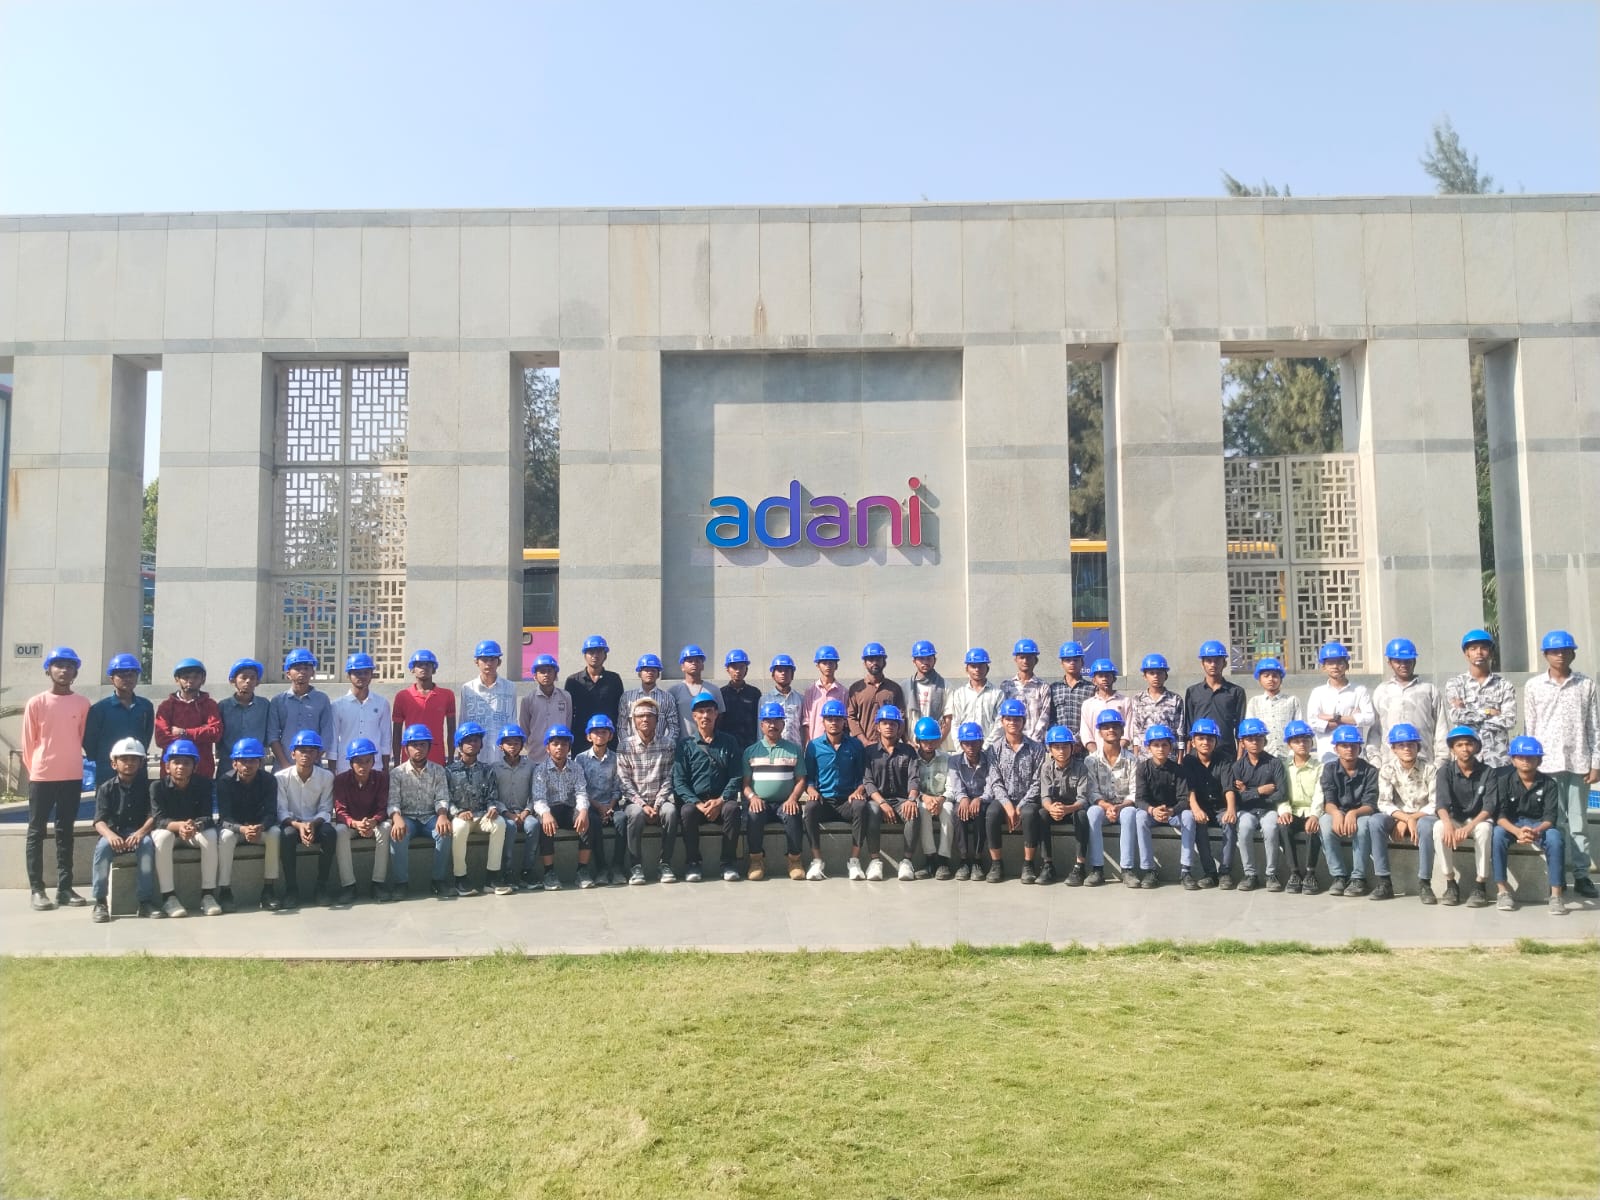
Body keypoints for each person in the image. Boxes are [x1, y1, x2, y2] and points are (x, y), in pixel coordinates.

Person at [1521, 629, 1599, 899]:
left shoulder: (1585, 684)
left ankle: (1582, 875)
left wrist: (1596, 762)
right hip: (1546, 766)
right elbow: (1530, 727)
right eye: (1555, 651)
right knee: (1553, 823)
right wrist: (1529, 764)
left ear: (1573, 654)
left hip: (1578, 762)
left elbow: (1594, 727)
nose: (1560, 655)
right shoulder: (1534, 686)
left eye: (1566, 650)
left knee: (1578, 823)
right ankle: (1557, 876)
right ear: (1545, 655)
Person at [22, 647, 91, 911]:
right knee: (36, 831)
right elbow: (28, 743)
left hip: (72, 775)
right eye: (58, 665)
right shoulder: (36, 703)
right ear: (48, 670)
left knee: (65, 832)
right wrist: (37, 770)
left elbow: (80, 737)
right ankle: (37, 889)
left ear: (75, 672)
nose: (64, 670)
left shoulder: (82, 703)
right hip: (42, 776)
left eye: (69, 666)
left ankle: (65, 888)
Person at [1491, 735, 1567, 916]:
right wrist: (1517, 831)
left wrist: (1536, 830)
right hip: (1512, 825)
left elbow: (1550, 817)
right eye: (1520, 757)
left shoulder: (1549, 784)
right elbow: (1500, 816)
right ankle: (1502, 891)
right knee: (1497, 834)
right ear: (1513, 760)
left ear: (1539, 760)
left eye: (1531, 757)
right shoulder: (1503, 782)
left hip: (1539, 826)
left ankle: (1556, 895)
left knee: (1555, 838)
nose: (1525, 761)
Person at [674, 691, 745, 882]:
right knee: (686, 812)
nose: (705, 715)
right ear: (694, 716)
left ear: (716, 714)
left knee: (732, 809)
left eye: (709, 711)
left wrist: (721, 801)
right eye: (701, 712)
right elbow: (679, 782)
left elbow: (736, 775)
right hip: (697, 803)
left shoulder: (729, 742)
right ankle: (693, 863)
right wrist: (697, 803)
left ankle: (728, 862)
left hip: (721, 801)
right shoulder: (686, 745)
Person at [149, 739, 223, 917]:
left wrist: (194, 826)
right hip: (170, 831)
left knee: (211, 835)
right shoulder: (157, 787)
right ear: (167, 766)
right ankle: (168, 897)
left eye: (186, 763)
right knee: (162, 837)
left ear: (194, 766)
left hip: (193, 831)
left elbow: (208, 817)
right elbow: (158, 819)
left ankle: (208, 895)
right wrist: (179, 826)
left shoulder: (204, 785)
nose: (181, 767)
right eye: (176, 762)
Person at [88, 737, 157, 922]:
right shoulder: (105, 788)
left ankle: (145, 902)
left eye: (134, 759)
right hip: (114, 833)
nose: (129, 763)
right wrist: (111, 836)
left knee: (147, 846)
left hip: (139, 833)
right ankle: (100, 902)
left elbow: (154, 815)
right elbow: (99, 821)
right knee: (102, 849)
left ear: (141, 763)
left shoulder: (150, 787)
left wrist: (141, 833)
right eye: (124, 759)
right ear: (114, 763)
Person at [615, 696, 681, 884]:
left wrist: (657, 804)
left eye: (649, 716)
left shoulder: (668, 744)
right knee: (635, 814)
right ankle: (636, 866)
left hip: (660, 800)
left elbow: (669, 778)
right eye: (640, 716)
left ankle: (665, 863)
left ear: (657, 720)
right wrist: (643, 805)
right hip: (635, 802)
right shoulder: (625, 746)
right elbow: (624, 782)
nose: (645, 719)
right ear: (633, 721)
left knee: (670, 812)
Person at [801, 698, 869, 880]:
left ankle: (854, 861)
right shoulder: (813, 746)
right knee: (809, 808)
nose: (833, 722)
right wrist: (811, 790)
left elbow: (864, 776)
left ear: (844, 721)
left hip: (847, 801)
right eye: (829, 719)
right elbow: (808, 777)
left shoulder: (855, 745)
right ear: (823, 721)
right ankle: (817, 861)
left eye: (837, 719)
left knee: (861, 807)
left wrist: (859, 790)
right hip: (824, 801)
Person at [742, 700, 808, 880]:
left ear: (783, 724)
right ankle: (756, 860)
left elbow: (801, 780)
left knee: (793, 814)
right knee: (753, 815)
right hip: (760, 802)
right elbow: (745, 784)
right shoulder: (750, 751)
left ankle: (795, 860)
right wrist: (753, 797)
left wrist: (793, 798)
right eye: (768, 721)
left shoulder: (794, 750)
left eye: (777, 720)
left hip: (784, 802)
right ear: (761, 725)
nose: (772, 725)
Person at [217, 737, 285, 910]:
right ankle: (225, 891)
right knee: (225, 837)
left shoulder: (269, 780)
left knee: (275, 833)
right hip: (236, 829)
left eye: (253, 761)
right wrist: (242, 829)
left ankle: (268, 890)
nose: (248, 766)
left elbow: (271, 813)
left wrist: (261, 827)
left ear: (260, 763)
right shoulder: (225, 781)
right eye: (243, 761)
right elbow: (224, 818)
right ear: (234, 763)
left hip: (259, 829)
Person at [386, 724, 453, 898]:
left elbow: (442, 797)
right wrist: (397, 818)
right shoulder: (397, 773)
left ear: (429, 747)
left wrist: (443, 815)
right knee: (397, 834)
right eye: (414, 745)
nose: (418, 749)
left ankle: (438, 880)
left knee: (445, 832)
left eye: (423, 744)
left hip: (430, 817)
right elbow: (393, 801)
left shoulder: (438, 770)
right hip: (407, 818)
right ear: (406, 748)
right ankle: (401, 883)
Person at [1433, 725, 1496, 908]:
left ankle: (1480, 884)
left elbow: (1489, 806)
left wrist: (1469, 827)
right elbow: (1441, 803)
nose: (1465, 748)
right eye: (1459, 745)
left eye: (1468, 744)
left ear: (1476, 746)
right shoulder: (1445, 771)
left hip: (1478, 820)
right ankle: (1450, 883)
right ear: (1452, 749)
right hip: (1454, 819)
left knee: (1485, 830)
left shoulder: (1488, 772)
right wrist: (1447, 824)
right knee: (1438, 827)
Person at [274, 730, 337, 908]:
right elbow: (281, 810)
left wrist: (312, 824)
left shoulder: (326, 777)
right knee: (286, 836)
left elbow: (326, 809)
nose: (306, 755)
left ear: (318, 754)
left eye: (311, 751)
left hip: (316, 823)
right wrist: (298, 825)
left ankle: (321, 887)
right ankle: (291, 889)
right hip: (292, 823)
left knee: (330, 833)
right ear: (293, 753)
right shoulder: (281, 777)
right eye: (302, 750)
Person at [1032, 725, 1101, 886]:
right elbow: (1045, 796)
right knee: (1041, 814)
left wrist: (1067, 809)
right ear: (1050, 749)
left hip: (1073, 809)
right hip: (1054, 809)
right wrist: (1051, 808)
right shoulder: (1046, 767)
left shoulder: (1081, 767)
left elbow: (1083, 799)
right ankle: (1047, 864)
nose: (1061, 751)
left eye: (1065, 746)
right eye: (1056, 747)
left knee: (1082, 815)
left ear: (1072, 748)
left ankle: (1079, 866)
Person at [1375, 722, 1436, 903]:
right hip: (1398, 816)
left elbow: (1435, 803)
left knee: (1426, 826)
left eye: (1411, 744)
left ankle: (1425, 883)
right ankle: (1384, 881)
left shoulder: (1430, 769)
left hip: (1423, 816)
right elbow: (1384, 802)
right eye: (1401, 745)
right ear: (1393, 749)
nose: (1406, 749)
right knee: (1375, 822)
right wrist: (1404, 818)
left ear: (1418, 746)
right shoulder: (1387, 769)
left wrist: (1412, 818)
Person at [1318, 724, 1381, 897]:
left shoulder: (1370, 771)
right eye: (1344, 745)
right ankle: (1338, 876)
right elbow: (1328, 800)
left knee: (1363, 826)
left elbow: (1371, 804)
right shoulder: (1329, 769)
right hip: (1337, 811)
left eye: (1353, 745)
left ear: (1359, 748)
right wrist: (1336, 813)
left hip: (1362, 812)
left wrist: (1354, 813)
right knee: (1325, 823)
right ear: (1336, 748)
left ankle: (1358, 878)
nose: (1349, 749)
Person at [1440, 629, 1516, 767]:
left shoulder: (1504, 685)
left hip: (1497, 760)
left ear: (1491, 652)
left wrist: (1469, 714)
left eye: (1483, 648)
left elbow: (1509, 720)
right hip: (1467, 760)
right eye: (1473, 648)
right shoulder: (1455, 684)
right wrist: (1488, 712)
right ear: (1466, 653)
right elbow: (1455, 716)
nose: (1479, 652)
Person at [862, 705, 922, 881]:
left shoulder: (908, 751)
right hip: (877, 799)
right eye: (885, 723)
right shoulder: (869, 752)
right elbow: (867, 782)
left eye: (893, 723)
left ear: (899, 727)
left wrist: (911, 799)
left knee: (913, 812)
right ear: (878, 727)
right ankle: (875, 861)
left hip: (902, 799)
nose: (889, 726)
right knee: (872, 810)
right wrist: (882, 803)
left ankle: (907, 861)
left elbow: (914, 778)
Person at [446, 721, 506, 896]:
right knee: (459, 828)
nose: (472, 744)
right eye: (468, 740)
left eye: (476, 740)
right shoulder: (448, 771)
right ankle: (460, 878)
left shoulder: (487, 770)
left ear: (481, 744)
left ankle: (492, 878)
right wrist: (457, 812)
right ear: (459, 745)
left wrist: (492, 807)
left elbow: (492, 796)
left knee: (500, 824)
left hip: (482, 817)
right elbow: (444, 799)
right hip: (460, 817)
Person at [1130, 724, 1193, 888]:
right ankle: (1149, 870)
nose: (1160, 749)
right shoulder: (1143, 768)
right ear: (1148, 747)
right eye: (1156, 745)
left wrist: (1171, 811)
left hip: (1173, 814)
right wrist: (1152, 810)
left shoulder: (1178, 769)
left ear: (1170, 747)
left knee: (1188, 816)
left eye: (1164, 744)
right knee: (1140, 816)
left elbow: (1184, 799)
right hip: (1152, 813)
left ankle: (1186, 870)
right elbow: (1139, 799)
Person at [82, 653, 154, 794]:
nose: (127, 679)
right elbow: (90, 741)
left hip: (137, 768)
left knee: (139, 803)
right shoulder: (99, 709)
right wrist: (105, 759)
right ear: (112, 678)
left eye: (131, 674)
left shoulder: (145, 706)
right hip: (108, 769)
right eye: (121, 675)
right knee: (107, 805)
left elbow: (147, 735)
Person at [531, 725, 591, 890]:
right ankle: (549, 872)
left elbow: (581, 792)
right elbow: (539, 798)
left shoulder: (576, 768)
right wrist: (546, 814)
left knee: (588, 820)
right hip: (551, 810)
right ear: (547, 748)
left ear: (569, 747)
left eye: (564, 744)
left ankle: (582, 870)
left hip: (569, 809)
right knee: (544, 824)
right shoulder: (540, 770)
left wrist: (583, 811)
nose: (559, 747)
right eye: (555, 744)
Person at [1085, 711, 1141, 886]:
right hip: (1102, 807)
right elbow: (1092, 792)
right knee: (1092, 813)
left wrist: (1119, 807)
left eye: (1115, 726)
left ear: (1122, 730)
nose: (1111, 730)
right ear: (1100, 732)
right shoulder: (1091, 760)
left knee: (1130, 814)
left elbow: (1134, 792)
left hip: (1124, 807)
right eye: (1106, 727)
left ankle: (1127, 869)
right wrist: (1107, 806)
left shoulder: (1132, 760)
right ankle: (1097, 869)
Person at [1231, 717, 1286, 892]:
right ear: (1242, 742)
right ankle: (1250, 874)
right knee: (1244, 828)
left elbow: (1281, 793)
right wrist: (1260, 791)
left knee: (1271, 829)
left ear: (1265, 740)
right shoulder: (1237, 767)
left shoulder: (1275, 763)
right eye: (1250, 739)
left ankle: (1271, 874)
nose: (1254, 742)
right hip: (1246, 811)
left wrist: (1249, 792)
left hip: (1269, 809)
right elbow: (1238, 798)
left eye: (1258, 738)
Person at [332, 737, 390, 904]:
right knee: (339, 831)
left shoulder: (382, 778)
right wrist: (355, 823)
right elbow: (340, 811)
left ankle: (378, 883)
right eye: (358, 761)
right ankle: (348, 885)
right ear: (351, 763)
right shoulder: (341, 780)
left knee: (386, 828)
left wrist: (373, 821)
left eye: (367, 761)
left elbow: (383, 807)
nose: (363, 766)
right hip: (351, 825)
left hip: (373, 824)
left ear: (373, 762)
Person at [1371, 638, 1444, 767]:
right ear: (1389, 663)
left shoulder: (1428, 690)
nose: (1403, 665)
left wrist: (1440, 762)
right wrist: (1375, 762)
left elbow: (1441, 727)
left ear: (1414, 661)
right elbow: (1374, 731)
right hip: (1389, 765)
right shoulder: (1381, 691)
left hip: (1424, 765)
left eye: (1407, 661)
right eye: (1398, 661)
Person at [1180, 717, 1231, 889]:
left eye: (1210, 738)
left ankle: (1225, 872)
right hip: (1201, 807)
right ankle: (1210, 873)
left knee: (1230, 823)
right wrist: (1195, 809)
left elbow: (1228, 787)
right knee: (1198, 824)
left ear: (1216, 741)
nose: (1205, 742)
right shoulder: (1188, 760)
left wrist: (1231, 810)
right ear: (1193, 741)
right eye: (1201, 738)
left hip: (1221, 807)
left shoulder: (1224, 759)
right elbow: (1190, 788)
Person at [154, 658, 224, 780]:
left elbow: (215, 733)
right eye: (185, 677)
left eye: (196, 677)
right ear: (177, 679)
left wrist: (184, 732)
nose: (190, 681)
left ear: (203, 679)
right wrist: (201, 731)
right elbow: (161, 739)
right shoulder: (166, 706)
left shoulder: (210, 705)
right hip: (172, 772)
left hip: (202, 770)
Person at [1306, 641, 1374, 763]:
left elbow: (1369, 718)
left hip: (1353, 752)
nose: (1335, 666)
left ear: (1347, 666)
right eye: (1330, 663)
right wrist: (1351, 719)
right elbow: (1312, 722)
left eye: (1339, 662)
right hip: (1327, 753)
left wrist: (1333, 718)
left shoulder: (1359, 690)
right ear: (1324, 667)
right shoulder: (1318, 692)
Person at [1276, 720, 1324, 894]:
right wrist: (1284, 811)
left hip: (1312, 811)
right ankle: (1294, 873)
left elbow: (1320, 793)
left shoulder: (1320, 767)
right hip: (1293, 811)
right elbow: (1281, 792)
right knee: (1283, 826)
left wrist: (1315, 815)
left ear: (1311, 742)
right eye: (1296, 741)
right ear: (1289, 744)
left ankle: (1310, 873)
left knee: (1313, 829)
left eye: (1305, 740)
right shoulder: (1283, 766)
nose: (1302, 744)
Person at [944, 722, 995, 881]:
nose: (971, 747)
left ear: (981, 742)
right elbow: (956, 785)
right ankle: (964, 859)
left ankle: (978, 859)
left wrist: (980, 799)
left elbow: (992, 785)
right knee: (958, 813)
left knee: (980, 813)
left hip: (983, 799)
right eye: (966, 743)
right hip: (964, 798)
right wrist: (964, 798)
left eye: (974, 743)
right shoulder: (954, 761)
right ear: (961, 744)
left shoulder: (990, 760)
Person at [267, 648, 334, 770]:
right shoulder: (278, 701)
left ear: (312, 672)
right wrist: (285, 765)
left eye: (306, 668)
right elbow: (272, 736)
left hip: (313, 767)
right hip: (283, 766)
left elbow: (327, 734)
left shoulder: (322, 700)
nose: (302, 672)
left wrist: (312, 761)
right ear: (288, 673)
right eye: (297, 668)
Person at [577, 714, 623, 884]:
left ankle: (618, 867)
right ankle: (601, 868)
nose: (600, 735)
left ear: (610, 735)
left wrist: (610, 806)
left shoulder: (617, 758)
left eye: (604, 732)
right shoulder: (580, 759)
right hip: (591, 806)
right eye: (595, 732)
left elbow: (618, 787)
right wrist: (598, 807)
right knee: (593, 822)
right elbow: (580, 789)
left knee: (622, 819)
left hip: (611, 805)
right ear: (589, 736)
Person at [1183, 640, 1247, 762]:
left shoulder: (1236, 692)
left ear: (1224, 663)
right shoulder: (1193, 692)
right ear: (1202, 664)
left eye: (1217, 660)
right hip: (1199, 755)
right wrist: (1188, 757)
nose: (1213, 664)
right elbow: (1189, 728)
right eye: (1209, 660)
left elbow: (1240, 729)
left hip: (1226, 754)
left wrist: (1239, 759)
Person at [489, 725, 536, 889]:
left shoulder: (531, 766)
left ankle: (527, 871)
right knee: (509, 827)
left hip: (525, 812)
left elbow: (535, 794)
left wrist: (526, 811)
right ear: (500, 746)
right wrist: (508, 814)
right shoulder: (494, 768)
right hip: (504, 814)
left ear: (522, 745)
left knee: (534, 825)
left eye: (516, 742)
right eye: (508, 743)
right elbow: (493, 796)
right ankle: (507, 871)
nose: (513, 746)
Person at [390, 649, 455, 766]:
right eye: (419, 665)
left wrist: (451, 758)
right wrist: (396, 762)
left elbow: (451, 730)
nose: (424, 667)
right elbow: (397, 733)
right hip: (410, 757)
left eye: (428, 664)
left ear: (434, 669)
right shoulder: (403, 696)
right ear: (412, 669)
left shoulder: (447, 695)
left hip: (436, 757)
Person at [330, 652, 391, 774]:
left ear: (371, 675)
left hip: (374, 766)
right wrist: (332, 770)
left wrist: (385, 768)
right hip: (345, 766)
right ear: (348, 675)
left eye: (366, 672)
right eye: (357, 673)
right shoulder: (337, 705)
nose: (362, 676)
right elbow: (333, 740)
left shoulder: (382, 703)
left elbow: (386, 738)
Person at [910, 716, 954, 878]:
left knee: (948, 813)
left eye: (933, 741)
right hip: (922, 799)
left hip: (943, 799)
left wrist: (941, 800)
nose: (929, 745)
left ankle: (943, 860)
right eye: (925, 741)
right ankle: (930, 858)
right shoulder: (912, 759)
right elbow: (911, 785)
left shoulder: (946, 759)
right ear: (918, 741)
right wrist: (924, 798)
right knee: (922, 811)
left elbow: (951, 787)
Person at [460, 640, 519, 751]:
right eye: (484, 659)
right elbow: (463, 720)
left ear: (499, 662)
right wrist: (461, 749)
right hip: (476, 751)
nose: (489, 663)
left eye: (492, 659)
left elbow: (513, 720)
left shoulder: (510, 687)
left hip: (501, 751)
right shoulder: (468, 688)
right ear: (476, 662)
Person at [218, 658, 271, 777]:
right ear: (233, 680)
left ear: (257, 682)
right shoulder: (223, 706)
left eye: (252, 678)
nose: (248, 681)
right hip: (228, 761)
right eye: (243, 677)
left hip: (255, 762)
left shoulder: (264, 705)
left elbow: (269, 731)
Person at [847, 642, 905, 746]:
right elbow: (850, 717)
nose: (874, 663)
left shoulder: (894, 689)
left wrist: (892, 740)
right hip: (863, 746)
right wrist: (864, 741)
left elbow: (901, 717)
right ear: (864, 663)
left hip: (889, 747)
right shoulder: (856, 689)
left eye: (878, 659)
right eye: (870, 660)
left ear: (884, 662)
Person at [519, 654, 573, 764]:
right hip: (536, 756)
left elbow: (568, 723)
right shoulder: (528, 699)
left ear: (555, 674)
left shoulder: (565, 697)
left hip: (559, 756)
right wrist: (530, 746)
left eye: (549, 671)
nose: (546, 675)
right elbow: (524, 727)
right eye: (542, 671)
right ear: (535, 676)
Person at [565, 635, 624, 735]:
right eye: (591, 652)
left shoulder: (614, 679)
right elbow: (568, 713)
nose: (595, 655)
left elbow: (620, 709)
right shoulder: (573, 681)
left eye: (599, 652)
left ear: (605, 656)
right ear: (585, 655)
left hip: (607, 735)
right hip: (581, 736)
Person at [1124, 653, 1184, 751]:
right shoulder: (1137, 699)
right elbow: (1136, 731)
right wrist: (1136, 754)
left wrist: (1180, 757)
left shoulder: (1175, 699)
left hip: (1168, 754)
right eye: (1151, 673)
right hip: (1144, 754)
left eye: (1159, 673)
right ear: (1145, 676)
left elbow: (1180, 731)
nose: (1156, 676)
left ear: (1166, 676)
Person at [1245, 657, 1301, 760]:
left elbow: (1299, 730)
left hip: (1288, 756)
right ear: (1259, 680)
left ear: (1281, 679)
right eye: (1266, 676)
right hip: (1263, 756)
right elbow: (1250, 732)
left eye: (1275, 675)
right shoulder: (1254, 702)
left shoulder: (1292, 700)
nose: (1271, 679)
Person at [948, 648, 1003, 748]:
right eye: (973, 666)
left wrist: (986, 747)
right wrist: (961, 749)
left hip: (989, 751)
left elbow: (1000, 724)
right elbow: (955, 724)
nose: (977, 670)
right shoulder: (959, 694)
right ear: (967, 669)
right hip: (965, 749)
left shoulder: (997, 694)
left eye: (981, 666)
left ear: (987, 668)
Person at [622, 654, 683, 743]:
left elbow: (674, 727)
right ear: (639, 674)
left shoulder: (667, 698)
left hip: (660, 749)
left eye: (653, 670)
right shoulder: (627, 697)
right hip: (633, 749)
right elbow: (621, 727)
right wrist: (627, 745)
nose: (650, 673)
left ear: (658, 674)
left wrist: (667, 745)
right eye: (646, 670)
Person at [902, 640, 951, 749]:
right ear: (914, 661)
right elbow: (901, 719)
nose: (925, 662)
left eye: (929, 658)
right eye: (921, 659)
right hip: (913, 746)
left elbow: (948, 720)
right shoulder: (905, 686)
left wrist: (936, 743)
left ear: (935, 660)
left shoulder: (945, 686)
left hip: (937, 746)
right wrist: (907, 742)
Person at [1000, 638, 1051, 742]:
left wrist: (1033, 742)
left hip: (1036, 743)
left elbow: (1045, 716)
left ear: (1035, 660)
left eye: (1029, 657)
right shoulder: (1006, 686)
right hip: (1012, 743)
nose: (1025, 661)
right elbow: (1003, 717)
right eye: (1022, 657)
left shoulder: (1043, 687)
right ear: (1015, 660)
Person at [1048, 641, 1096, 753]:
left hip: (1083, 747)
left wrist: (1077, 740)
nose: (1072, 663)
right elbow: (1050, 718)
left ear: (1082, 662)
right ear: (1062, 663)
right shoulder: (1054, 688)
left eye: (1076, 660)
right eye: (1068, 660)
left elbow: (1092, 719)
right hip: (1060, 747)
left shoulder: (1091, 689)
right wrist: (1061, 738)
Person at [668, 645, 724, 738]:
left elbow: (720, 716)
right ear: (682, 666)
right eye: (690, 661)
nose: (694, 663)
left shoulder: (714, 690)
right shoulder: (674, 691)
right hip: (683, 743)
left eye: (697, 661)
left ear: (702, 666)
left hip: (708, 743)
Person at [1077, 659, 1129, 753]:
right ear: (1094, 680)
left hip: (1121, 755)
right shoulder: (1088, 704)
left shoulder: (1125, 701)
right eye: (1100, 676)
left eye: (1108, 675)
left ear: (1114, 678)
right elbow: (1086, 734)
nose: (1104, 678)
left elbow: (1128, 731)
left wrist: (1116, 752)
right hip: (1095, 756)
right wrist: (1097, 755)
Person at [800, 645, 848, 743]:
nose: (828, 666)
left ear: (836, 665)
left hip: (837, 744)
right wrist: (807, 744)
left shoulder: (843, 692)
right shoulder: (810, 691)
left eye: (831, 663)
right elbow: (806, 722)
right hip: (815, 743)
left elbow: (845, 721)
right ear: (818, 666)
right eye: (824, 663)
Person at [718, 649, 762, 750]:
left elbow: (759, 720)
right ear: (727, 669)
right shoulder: (721, 693)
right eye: (734, 667)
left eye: (741, 667)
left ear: (746, 669)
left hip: (750, 745)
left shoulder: (754, 693)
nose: (738, 671)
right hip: (727, 746)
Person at [760, 653, 803, 746]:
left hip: (795, 749)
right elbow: (760, 729)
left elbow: (803, 728)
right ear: (773, 675)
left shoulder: (800, 699)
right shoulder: (765, 700)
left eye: (787, 670)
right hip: (772, 750)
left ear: (792, 675)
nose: (783, 673)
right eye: (779, 670)